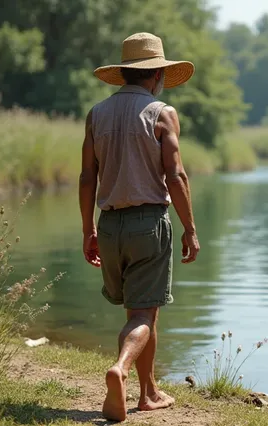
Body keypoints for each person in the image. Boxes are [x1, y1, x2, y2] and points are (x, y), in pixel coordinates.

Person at [78, 32, 200, 422]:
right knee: (144, 315)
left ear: (125, 72)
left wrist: (88, 230)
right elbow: (176, 174)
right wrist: (190, 229)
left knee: (138, 312)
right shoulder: (162, 113)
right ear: (157, 75)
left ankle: (149, 393)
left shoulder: (97, 114)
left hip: (109, 224)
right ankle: (122, 370)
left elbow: (86, 177)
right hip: (148, 223)